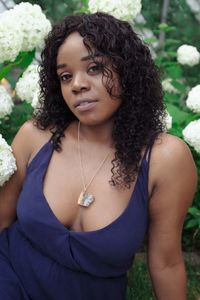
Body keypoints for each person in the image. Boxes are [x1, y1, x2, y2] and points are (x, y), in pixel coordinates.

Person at [0, 12, 197, 300]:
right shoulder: (35, 135)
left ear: (127, 70)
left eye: (94, 68)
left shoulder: (164, 159)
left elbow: (166, 263)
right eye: (65, 76)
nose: (76, 84)